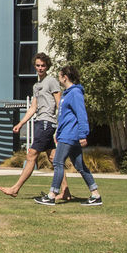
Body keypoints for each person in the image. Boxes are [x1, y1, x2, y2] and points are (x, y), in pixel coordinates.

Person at [37, 65, 102, 207]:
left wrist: (83, 134)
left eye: (60, 76)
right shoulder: (67, 94)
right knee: (80, 166)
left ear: (65, 77)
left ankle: (52, 195)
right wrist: (58, 133)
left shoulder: (75, 93)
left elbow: (81, 114)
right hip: (65, 134)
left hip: (70, 135)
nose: (58, 78)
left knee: (58, 162)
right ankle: (95, 194)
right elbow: (64, 116)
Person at [1, 52, 60, 198]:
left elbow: (60, 104)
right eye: (38, 65)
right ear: (35, 66)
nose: (40, 68)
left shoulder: (51, 81)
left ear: (47, 67)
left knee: (31, 155)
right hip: (40, 121)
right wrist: (20, 123)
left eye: (43, 66)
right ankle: (65, 191)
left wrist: (61, 125)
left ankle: (15, 189)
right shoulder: (36, 86)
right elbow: (33, 107)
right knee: (54, 159)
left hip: (47, 122)